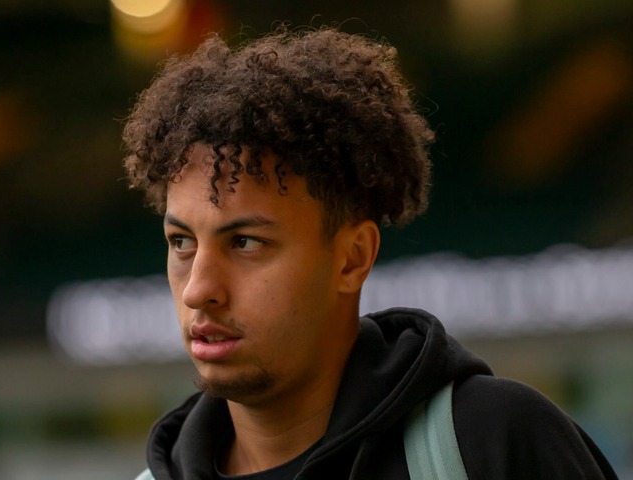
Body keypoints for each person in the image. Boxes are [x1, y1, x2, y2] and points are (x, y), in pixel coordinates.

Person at [122, 27, 617, 479]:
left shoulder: (490, 443)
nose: (199, 290)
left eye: (246, 242)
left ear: (352, 258)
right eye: (181, 242)